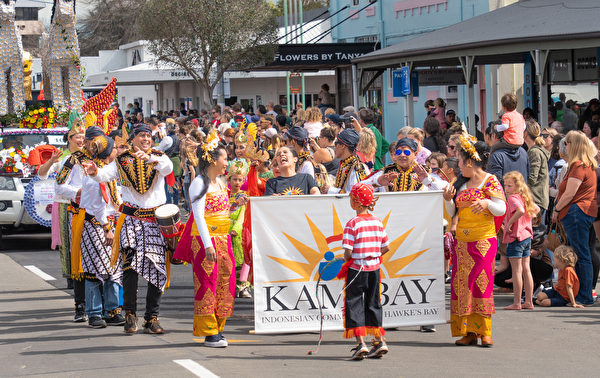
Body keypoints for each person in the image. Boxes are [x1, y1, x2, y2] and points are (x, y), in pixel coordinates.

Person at [83, 123, 174, 335]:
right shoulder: (121, 161)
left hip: (154, 221)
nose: (146, 139)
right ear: (132, 139)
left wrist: (149, 158)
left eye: (149, 136)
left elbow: (168, 169)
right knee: (130, 268)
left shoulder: (160, 157)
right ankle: (130, 314)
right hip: (131, 220)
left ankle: (152, 317)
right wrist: (95, 172)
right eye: (142, 136)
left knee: (158, 270)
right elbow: (104, 175)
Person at [173, 132, 238, 347]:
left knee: (225, 282)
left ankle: (219, 327)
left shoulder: (219, 181)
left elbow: (220, 209)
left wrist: (236, 205)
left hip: (223, 239)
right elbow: (199, 216)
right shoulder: (199, 183)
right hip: (205, 242)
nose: (226, 162)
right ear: (212, 160)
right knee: (207, 284)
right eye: (224, 158)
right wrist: (208, 244)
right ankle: (209, 332)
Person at [443, 134, 506, 347]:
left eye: (460, 161)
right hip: (462, 242)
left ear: (469, 161)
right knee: (463, 286)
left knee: (482, 284)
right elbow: (453, 212)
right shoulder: (459, 183)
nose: (458, 166)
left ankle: (485, 331)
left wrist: (487, 204)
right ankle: (468, 332)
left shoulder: (491, 181)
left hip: (483, 241)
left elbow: (502, 208)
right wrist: (449, 200)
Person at [55, 125, 105, 322]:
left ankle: (105, 306)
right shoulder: (71, 160)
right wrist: (77, 192)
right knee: (80, 260)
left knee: (102, 260)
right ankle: (81, 305)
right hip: (79, 214)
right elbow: (59, 185)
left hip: (102, 216)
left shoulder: (104, 160)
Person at [340, 183, 390, 360]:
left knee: (354, 303)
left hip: (357, 269)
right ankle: (379, 340)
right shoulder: (377, 222)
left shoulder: (352, 224)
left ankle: (360, 343)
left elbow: (348, 251)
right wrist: (374, 255)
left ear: (356, 203)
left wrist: (349, 260)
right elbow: (386, 247)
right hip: (374, 269)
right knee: (373, 302)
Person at [79, 135, 124, 328]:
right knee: (95, 271)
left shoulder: (107, 171)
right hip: (95, 226)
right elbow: (96, 206)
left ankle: (112, 310)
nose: (117, 151)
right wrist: (106, 228)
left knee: (113, 268)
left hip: (110, 225)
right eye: (114, 149)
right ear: (108, 153)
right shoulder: (93, 176)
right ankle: (94, 313)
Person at [552, 130, 598, 306]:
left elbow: (570, 193)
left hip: (576, 212)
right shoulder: (586, 164)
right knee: (581, 253)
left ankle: (584, 295)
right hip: (581, 212)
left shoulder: (579, 165)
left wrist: (556, 208)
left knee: (580, 254)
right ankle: (580, 293)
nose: (566, 145)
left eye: (568, 142)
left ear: (575, 145)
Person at [502, 171, 538, 310]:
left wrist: (510, 223)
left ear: (517, 186)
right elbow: (536, 209)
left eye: (509, 186)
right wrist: (528, 220)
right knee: (526, 270)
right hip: (527, 236)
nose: (506, 189)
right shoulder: (525, 196)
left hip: (515, 237)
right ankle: (528, 301)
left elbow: (520, 210)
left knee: (516, 271)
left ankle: (517, 302)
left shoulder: (512, 198)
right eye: (506, 185)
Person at [227, 160, 251, 298]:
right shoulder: (225, 194)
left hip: (239, 231)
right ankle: (230, 286)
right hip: (225, 229)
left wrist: (236, 228)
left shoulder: (244, 196)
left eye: (240, 179)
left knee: (242, 260)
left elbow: (243, 214)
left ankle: (242, 287)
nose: (237, 182)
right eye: (234, 179)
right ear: (229, 179)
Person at [322, 129, 368, 194]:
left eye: (336, 143)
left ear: (343, 146)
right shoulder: (345, 164)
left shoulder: (357, 168)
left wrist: (331, 190)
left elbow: (357, 194)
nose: (334, 147)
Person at [524, 120, 550, 219]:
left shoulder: (534, 151)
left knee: (535, 233)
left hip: (536, 199)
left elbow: (532, 178)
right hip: (538, 198)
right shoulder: (535, 150)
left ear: (525, 133)